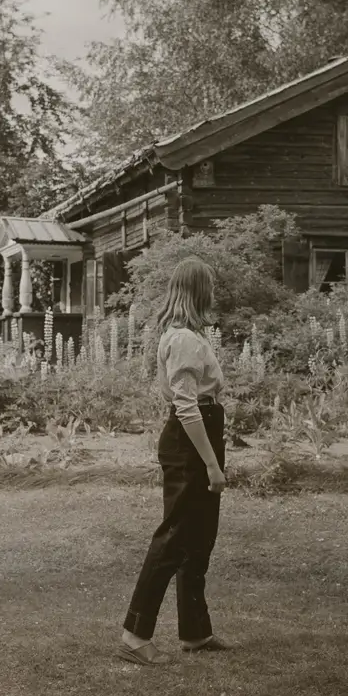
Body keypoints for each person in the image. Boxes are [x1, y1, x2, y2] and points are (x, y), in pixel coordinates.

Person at [119, 256, 231, 665]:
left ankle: (195, 632)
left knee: (199, 538)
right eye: (209, 287)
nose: (213, 294)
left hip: (198, 437)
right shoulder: (183, 339)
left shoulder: (188, 336)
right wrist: (212, 465)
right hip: (189, 443)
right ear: (199, 291)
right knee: (174, 538)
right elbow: (186, 407)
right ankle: (135, 634)